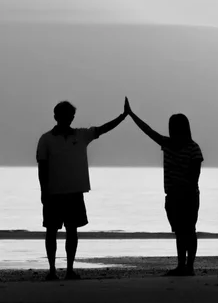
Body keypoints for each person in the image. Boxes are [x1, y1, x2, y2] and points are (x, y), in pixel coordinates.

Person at [36, 99, 129, 281]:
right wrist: (43, 191)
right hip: (53, 193)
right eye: (63, 115)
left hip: (74, 192)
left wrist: (123, 116)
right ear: (56, 117)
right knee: (51, 231)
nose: (67, 118)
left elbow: (102, 129)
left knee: (72, 231)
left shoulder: (81, 135)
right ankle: (52, 270)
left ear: (72, 117)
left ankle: (70, 269)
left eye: (69, 115)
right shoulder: (46, 139)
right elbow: (42, 167)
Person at [126, 98, 203, 276]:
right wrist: (131, 115)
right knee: (180, 231)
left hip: (188, 195)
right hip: (173, 196)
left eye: (175, 128)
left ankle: (189, 266)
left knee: (189, 230)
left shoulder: (193, 148)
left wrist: (185, 189)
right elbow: (147, 130)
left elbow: (195, 174)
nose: (172, 131)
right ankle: (181, 265)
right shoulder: (167, 144)